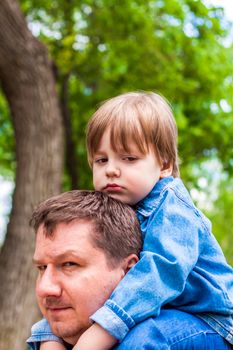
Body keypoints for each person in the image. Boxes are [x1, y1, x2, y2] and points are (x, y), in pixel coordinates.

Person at [29, 91, 233, 349]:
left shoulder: (173, 208)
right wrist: (49, 334)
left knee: (143, 337)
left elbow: (160, 272)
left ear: (164, 164)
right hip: (157, 311)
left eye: (129, 158)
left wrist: (103, 328)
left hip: (209, 320)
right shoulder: (112, 213)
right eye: (101, 160)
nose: (111, 169)